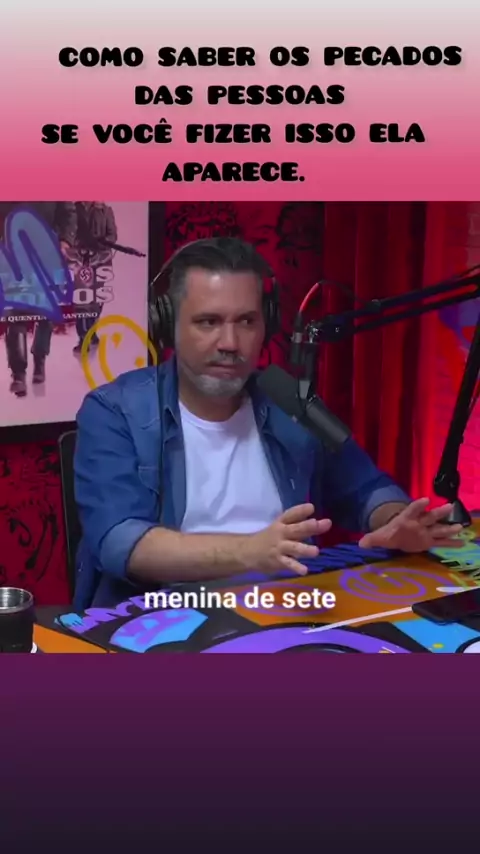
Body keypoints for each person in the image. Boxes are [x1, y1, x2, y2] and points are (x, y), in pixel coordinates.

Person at [73, 237, 463, 609]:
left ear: (267, 325)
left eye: (246, 321)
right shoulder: (115, 411)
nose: (230, 342)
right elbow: (122, 543)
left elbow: (364, 488)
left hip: (287, 611)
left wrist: (396, 520)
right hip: (166, 618)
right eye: (208, 322)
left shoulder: (289, 402)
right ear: (168, 325)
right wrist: (250, 551)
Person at [1, 202, 77, 396]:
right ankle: (18, 374)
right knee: (15, 313)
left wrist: (65, 241)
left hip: (46, 251)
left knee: (46, 313)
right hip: (13, 251)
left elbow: (67, 213)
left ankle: (39, 362)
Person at [71, 201, 118, 354]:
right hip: (81, 261)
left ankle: (91, 331)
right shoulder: (74, 209)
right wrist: (79, 244)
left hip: (101, 261)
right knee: (81, 300)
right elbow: (68, 233)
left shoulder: (105, 210)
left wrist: (100, 244)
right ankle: (83, 337)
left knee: (96, 301)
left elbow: (112, 235)